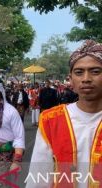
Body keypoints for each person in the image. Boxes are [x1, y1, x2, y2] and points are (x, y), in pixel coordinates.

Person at [27, 40, 102, 188]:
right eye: (79, 72)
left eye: (95, 71)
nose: (86, 79)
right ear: (71, 79)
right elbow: (38, 176)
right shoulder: (51, 120)